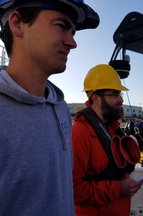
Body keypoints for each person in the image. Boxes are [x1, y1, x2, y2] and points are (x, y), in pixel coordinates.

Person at [0, 1, 98, 215]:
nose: (73, 42)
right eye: (61, 26)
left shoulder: (60, 107)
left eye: (73, 32)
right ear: (17, 24)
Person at [72, 64, 143, 215]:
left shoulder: (113, 129)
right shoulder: (80, 133)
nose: (121, 100)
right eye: (114, 94)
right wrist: (118, 189)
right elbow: (74, 190)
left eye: (120, 94)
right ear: (96, 98)